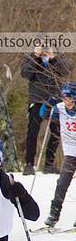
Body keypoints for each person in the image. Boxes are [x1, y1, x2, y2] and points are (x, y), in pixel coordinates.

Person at [21, 40, 71, 175]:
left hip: (54, 99)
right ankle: (29, 163)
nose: (44, 48)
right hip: (36, 100)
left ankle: (49, 163)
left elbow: (66, 70)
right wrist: (35, 56)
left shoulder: (57, 55)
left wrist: (54, 57)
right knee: (32, 132)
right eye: (41, 45)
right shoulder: (31, 57)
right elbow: (25, 74)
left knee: (56, 131)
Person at [43, 83, 76, 228]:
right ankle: (54, 214)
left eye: (70, 98)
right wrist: (49, 104)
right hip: (70, 152)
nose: (67, 101)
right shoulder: (60, 108)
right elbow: (43, 115)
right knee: (62, 183)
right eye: (65, 97)